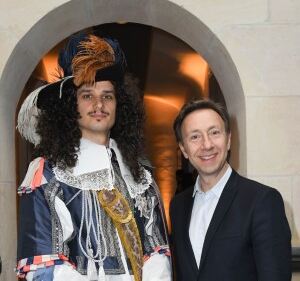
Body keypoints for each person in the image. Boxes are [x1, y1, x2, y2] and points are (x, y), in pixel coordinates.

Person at [16, 30, 171, 281]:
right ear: (70, 104)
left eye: (107, 96)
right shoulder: (47, 174)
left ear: (119, 105)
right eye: (87, 95)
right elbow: (43, 267)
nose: (99, 105)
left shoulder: (140, 177)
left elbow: (158, 250)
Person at [170, 99, 291, 281]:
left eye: (214, 133)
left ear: (228, 140)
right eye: (195, 136)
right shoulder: (178, 206)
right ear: (184, 149)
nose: (207, 144)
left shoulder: (262, 201)